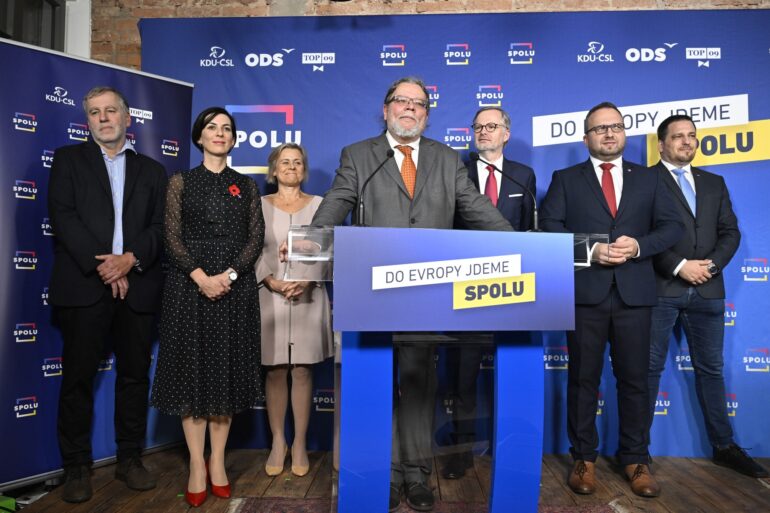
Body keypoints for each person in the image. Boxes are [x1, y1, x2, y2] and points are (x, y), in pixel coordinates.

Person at [312, 77, 511, 513]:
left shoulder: (446, 158)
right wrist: (313, 237)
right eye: (401, 101)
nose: (410, 108)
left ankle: (417, 474)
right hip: (371, 290)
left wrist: (516, 243)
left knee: (420, 385)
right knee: (376, 384)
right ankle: (381, 473)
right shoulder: (359, 155)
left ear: (427, 114)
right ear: (386, 110)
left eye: (419, 103)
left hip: (427, 291)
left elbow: (474, 206)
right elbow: (338, 198)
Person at [540, 101, 682, 498]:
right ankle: (583, 459)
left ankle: (635, 459)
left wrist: (638, 246)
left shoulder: (650, 178)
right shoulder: (566, 179)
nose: (608, 133)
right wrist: (590, 249)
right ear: (586, 137)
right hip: (585, 295)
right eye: (600, 128)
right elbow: (548, 227)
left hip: (635, 295)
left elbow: (672, 226)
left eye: (615, 127)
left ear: (624, 133)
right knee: (583, 379)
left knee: (635, 380)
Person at [48, 86, 166, 503]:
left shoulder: (152, 171)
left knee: (134, 378)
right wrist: (106, 266)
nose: (103, 118)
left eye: (111, 110)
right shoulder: (67, 160)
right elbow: (62, 217)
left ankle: (130, 459)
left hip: (138, 286)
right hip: (84, 287)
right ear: (88, 121)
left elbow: (160, 228)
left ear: (127, 118)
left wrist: (130, 260)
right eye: (95, 112)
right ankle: (76, 466)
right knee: (77, 380)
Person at [150, 107, 265, 508]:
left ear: (233, 139)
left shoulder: (246, 186)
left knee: (225, 373)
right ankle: (196, 464)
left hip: (235, 289)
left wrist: (228, 276)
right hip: (188, 288)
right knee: (192, 374)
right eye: (212, 127)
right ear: (199, 136)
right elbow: (171, 237)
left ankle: (218, 461)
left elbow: (255, 239)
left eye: (227, 128)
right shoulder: (180, 182)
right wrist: (201, 277)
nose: (220, 133)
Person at [647, 115, 768, 478]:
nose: (687, 142)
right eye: (678, 136)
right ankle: (636, 451)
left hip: (708, 289)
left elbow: (730, 232)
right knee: (648, 370)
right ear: (661, 144)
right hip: (661, 289)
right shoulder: (643, 181)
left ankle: (724, 446)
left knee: (711, 370)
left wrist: (710, 267)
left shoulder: (714, 183)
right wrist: (679, 266)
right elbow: (640, 235)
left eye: (692, 136)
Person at [443, 106, 536, 480]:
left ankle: (513, 449)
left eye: (492, 126)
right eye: (478, 127)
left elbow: (529, 231)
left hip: (513, 288)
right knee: (463, 375)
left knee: (513, 368)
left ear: (506, 134)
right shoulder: (456, 172)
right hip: (466, 288)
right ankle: (461, 450)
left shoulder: (523, 176)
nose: (483, 132)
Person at [256, 143, 333, 477]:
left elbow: (329, 248)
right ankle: (278, 441)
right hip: (268, 295)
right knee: (274, 369)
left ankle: (299, 443)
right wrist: (270, 280)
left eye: (297, 162)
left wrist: (307, 280)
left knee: (302, 370)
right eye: (284, 162)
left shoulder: (320, 205)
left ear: (304, 169)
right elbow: (250, 249)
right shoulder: (258, 205)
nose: (291, 167)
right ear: (273, 170)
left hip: (309, 296)